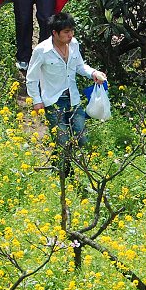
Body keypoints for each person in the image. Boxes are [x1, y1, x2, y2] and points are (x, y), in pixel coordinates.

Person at [25, 12, 106, 172]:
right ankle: (62, 173)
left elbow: (80, 66)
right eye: (66, 32)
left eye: (72, 31)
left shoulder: (74, 44)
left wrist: (94, 73)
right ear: (55, 33)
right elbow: (31, 77)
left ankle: (66, 166)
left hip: (73, 99)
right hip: (54, 101)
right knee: (62, 139)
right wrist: (36, 100)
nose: (71, 35)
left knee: (82, 138)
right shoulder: (42, 50)